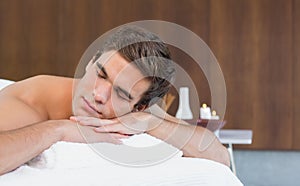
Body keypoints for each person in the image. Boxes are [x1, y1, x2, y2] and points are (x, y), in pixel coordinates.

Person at [0, 26, 229, 175]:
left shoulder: (137, 112)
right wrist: (58, 129)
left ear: (138, 106)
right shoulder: (31, 99)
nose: (99, 95)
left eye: (120, 93)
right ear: (91, 61)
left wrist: (152, 122)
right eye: (101, 74)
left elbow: (220, 157)